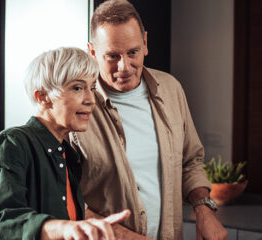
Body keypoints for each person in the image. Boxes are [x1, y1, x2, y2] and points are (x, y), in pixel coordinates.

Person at [70, 1, 228, 240]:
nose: (124, 66)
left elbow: (191, 161)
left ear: (145, 43)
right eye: (112, 56)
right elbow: (65, 197)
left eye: (132, 52)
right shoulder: (74, 106)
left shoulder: (171, 89)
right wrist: (123, 236)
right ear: (92, 52)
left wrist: (204, 208)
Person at [0, 47, 130, 240]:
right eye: (77, 88)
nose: (91, 100)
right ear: (43, 97)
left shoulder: (69, 155)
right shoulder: (12, 144)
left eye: (92, 88)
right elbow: (4, 221)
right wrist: (65, 229)